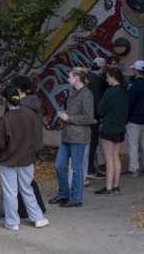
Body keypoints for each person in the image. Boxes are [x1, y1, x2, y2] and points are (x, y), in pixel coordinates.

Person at [0, 86, 49, 231]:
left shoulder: (4, 120)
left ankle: (12, 222)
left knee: (10, 192)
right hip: (26, 159)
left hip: (8, 160)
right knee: (27, 189)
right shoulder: (29, 116)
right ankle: (37, 218)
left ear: (5, 100)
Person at [50, 67, 94, 207]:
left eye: (69, 77)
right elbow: (73, 113)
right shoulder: (73, 92)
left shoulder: (87, 94)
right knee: (58, 165)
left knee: (76, 168)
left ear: (76, 78)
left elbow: (88, 118)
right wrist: (64, 114)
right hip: (68, 135)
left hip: (79, 137)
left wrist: (68, 118)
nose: (68, 79)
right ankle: (64, 195)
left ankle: (76, 199)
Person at [10, 76, 46, 218]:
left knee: (23, 179)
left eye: (17, 89)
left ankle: (29, 210)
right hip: (35, 145)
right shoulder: (34, 103)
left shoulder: (22, 107)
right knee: (26, 178)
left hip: (26, 146)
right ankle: (31, 209)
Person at [94, 68, 128, 196]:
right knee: (116, 158)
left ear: (113, 77)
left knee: (109, 159)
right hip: (120, 128)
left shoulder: (110, 92)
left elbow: (100, 110)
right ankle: (116, 186)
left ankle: (108, 188)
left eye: (108, 77)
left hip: (109, 128)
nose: (107, 79)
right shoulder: (124, 91)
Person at [123, 61, 144, 177]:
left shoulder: (134, 87)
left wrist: (126, 119)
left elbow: (129, 105)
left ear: (136, 70)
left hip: (134, 120)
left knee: (133, 144)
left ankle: (133, 169)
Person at [86, 57, 108, 180]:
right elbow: (97, 100)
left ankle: (88, 167)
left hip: (86, 116)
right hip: (93, 117)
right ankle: (90, 168)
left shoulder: (88, 78)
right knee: (92, 143)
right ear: (102, 68)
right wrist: (100, 116)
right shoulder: (96, 80)